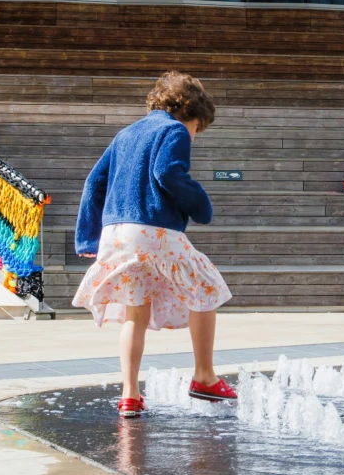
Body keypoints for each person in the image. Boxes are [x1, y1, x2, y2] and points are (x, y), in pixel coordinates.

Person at [73, 71, 236, 417]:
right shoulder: (174, 130)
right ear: (188, 111)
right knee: (208, 287)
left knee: (136, 310)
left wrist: (88, 236)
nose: (195, 136)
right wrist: (201, 206)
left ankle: (130, 395)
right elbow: (168, 173)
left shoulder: (125, 133)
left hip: (116, 232)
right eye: (198, 128)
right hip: (152, 228)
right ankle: (204, 377)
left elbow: (93, 182)